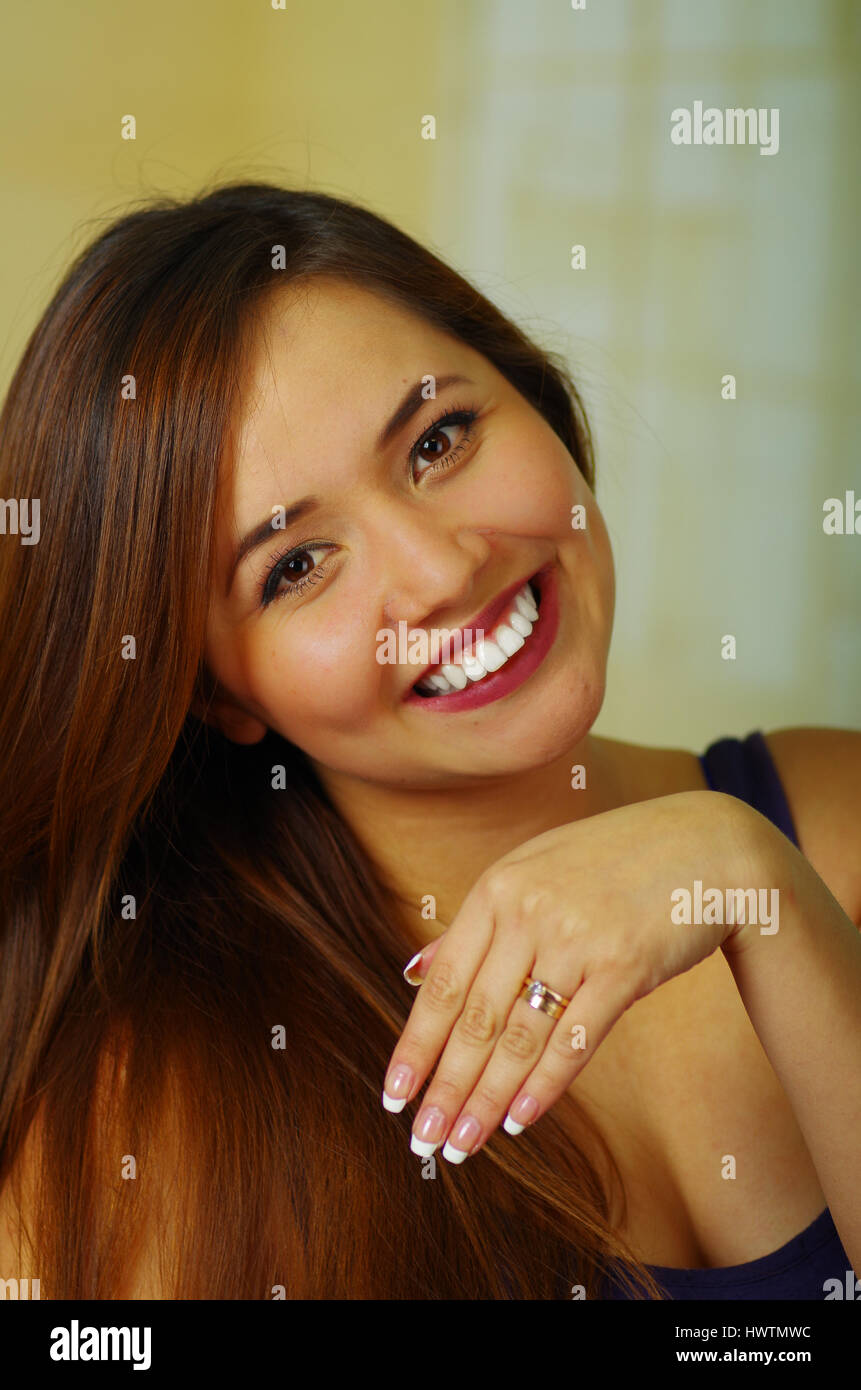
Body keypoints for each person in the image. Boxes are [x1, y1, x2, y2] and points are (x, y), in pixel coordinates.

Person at [0, 182, 858, 1300]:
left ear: (531, 393)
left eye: (439, 439)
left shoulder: (830, 820)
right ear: (215, 696)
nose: (443, 569)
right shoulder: (140, 1134)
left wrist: (757, 882)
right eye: (295, 565)